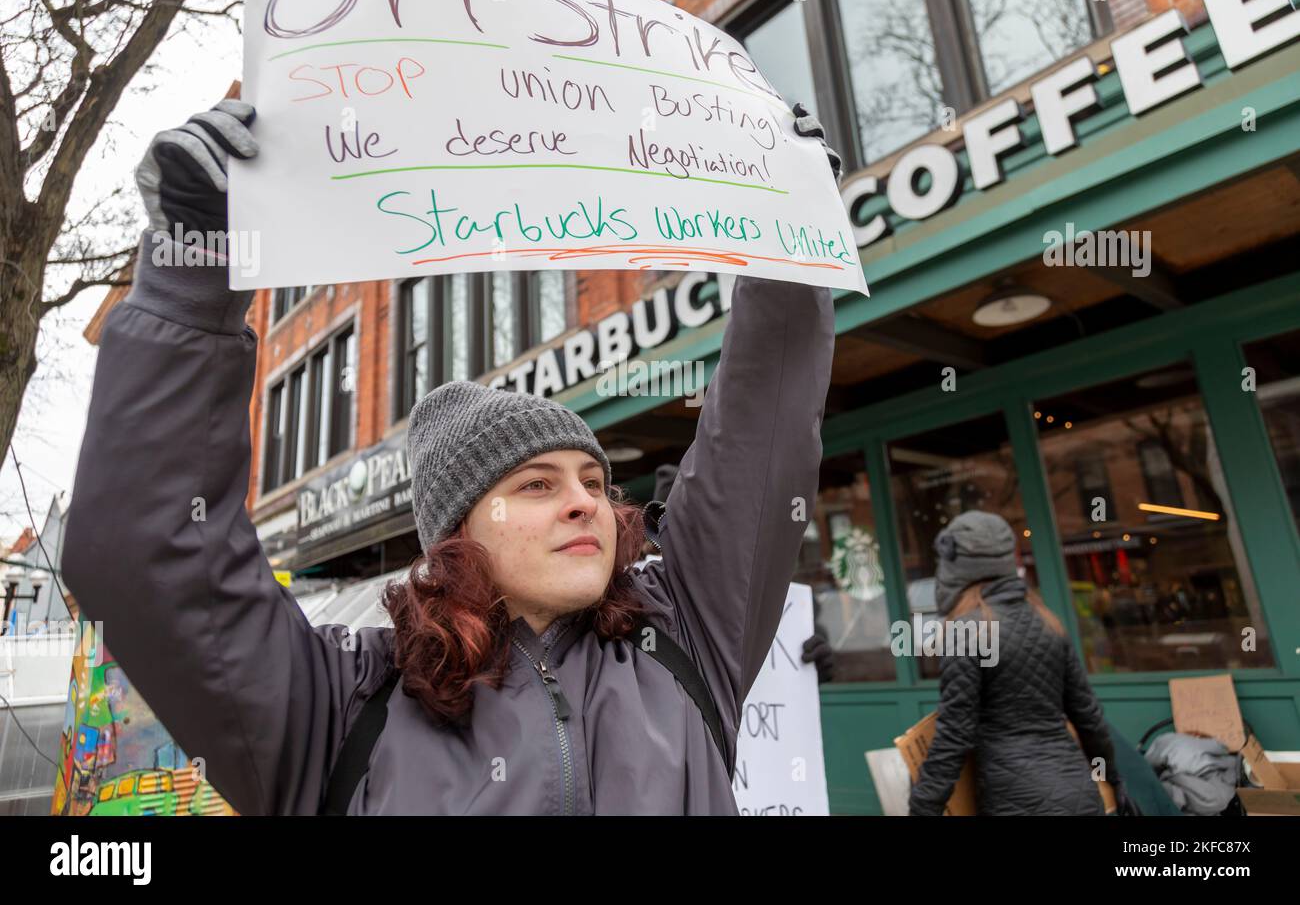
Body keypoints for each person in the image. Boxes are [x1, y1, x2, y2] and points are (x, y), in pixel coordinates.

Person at [61, 98, 840, 815]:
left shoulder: (684, 639)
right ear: (458, 534)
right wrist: (192, 276)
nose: (585, 503)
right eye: (537, 484)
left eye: (595, 482)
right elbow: (146, 552)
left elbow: (759, 435)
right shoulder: (338, 703)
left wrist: (789, 243)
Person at [908, 511, 1139, 816]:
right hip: (1079, 794)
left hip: (1015, 802)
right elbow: (1089, 719)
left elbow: (954, 735)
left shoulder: (965, 632)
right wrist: (1112, 777)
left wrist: (923, 808)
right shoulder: (1048, 622)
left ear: (954, 570)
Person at [647, 463, 833, 683]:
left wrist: (816, 665)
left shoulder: (773, 596)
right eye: (671, 535)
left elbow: (791, 684)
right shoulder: (633, 604)